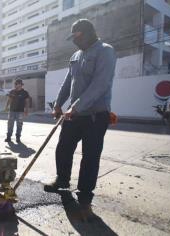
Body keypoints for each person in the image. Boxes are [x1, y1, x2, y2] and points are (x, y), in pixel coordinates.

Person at [44, 19, 117, 214]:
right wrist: (58, 104)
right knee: (63, 148)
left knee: (90, 156)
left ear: (88, 33)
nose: (75, 42)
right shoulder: (76, 55)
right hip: (74, 115)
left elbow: (100, 84)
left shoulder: (105, 51)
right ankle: (62, 180)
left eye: (77, 37)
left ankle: (84, 197)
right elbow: (69, 82)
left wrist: (75, 107)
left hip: (95, 115)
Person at [4, 78, 30, 143]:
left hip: (20, 112)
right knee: (10, 124)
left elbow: (27, 102)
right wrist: (6, 107)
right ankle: (8, 137)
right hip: (12, 111)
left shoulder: (25, 92)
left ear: (21, 85)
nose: (15, 85)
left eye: (17, 84)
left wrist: (26, 110)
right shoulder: (12, 91)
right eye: (15, 84)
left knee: (19, 125)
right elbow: (9, 100)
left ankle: (18, 138)